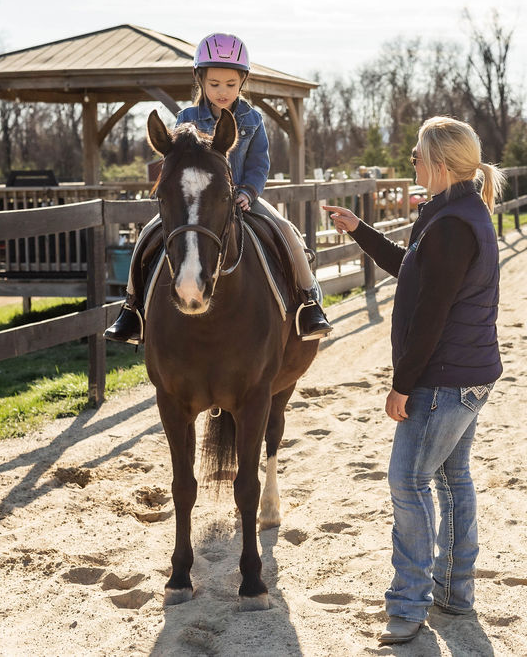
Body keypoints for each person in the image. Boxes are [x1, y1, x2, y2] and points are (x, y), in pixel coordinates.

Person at [323, 116, 505, 645]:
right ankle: (453, 592)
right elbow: (412, 270)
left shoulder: (451, 225)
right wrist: (361, 231)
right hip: (467, 374)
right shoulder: (455, 213)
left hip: (444, 377)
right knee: (452, 480)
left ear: (441, 165)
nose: (412, 163)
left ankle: (408, 605)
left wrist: (402, 384)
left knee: (408, 482)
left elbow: (430, 313)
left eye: (418, 156)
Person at [104, 32, 331, 344]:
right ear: (200, 80)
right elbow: (177, 163)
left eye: (230, 84)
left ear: (242, 82)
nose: (222, 91)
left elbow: (259, 163)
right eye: (214, 84)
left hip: (241, 199)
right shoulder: (186, 118)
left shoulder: (252, 118)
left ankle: (308, 302)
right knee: (147, 235)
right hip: (195, 205)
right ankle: (131, 310)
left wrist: (249, 192)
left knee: (285, 229)